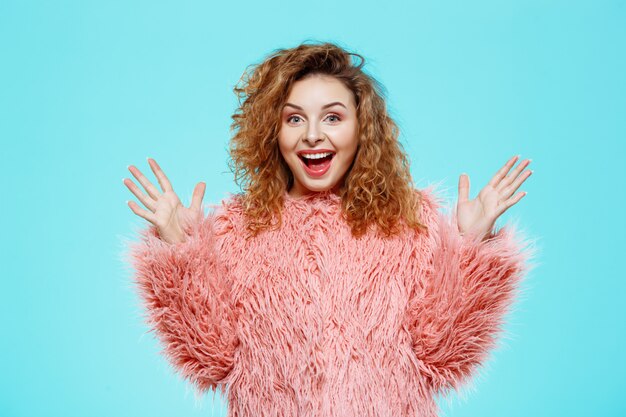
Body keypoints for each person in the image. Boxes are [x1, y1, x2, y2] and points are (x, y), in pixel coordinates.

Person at [122, 41, 535, 417]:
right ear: (273, 131)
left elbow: (441, 358)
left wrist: (471, 248)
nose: (313, 135)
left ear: (362, 128)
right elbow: (212, 359)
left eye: (333, 117)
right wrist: (179, 253)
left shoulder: (408, 223)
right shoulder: (236, 230)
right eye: (295, 119)